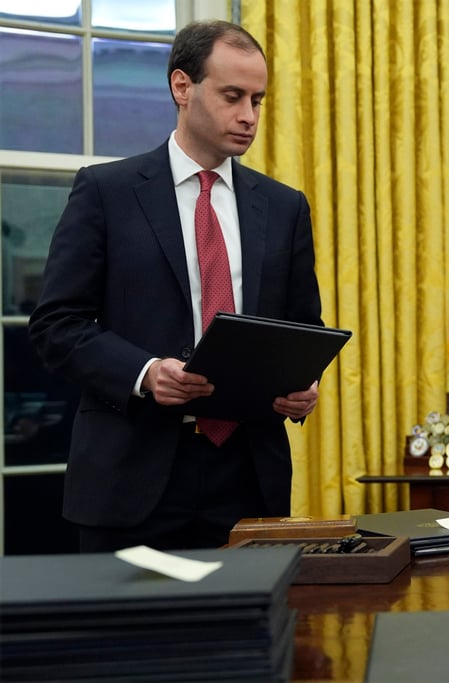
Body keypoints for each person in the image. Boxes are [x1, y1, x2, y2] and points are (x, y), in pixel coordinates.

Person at [28, 20, 323, 552]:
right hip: (130, 476)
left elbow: (303, 329)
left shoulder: (285, 207)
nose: (249, 115)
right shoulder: (106, 192)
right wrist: (144, 372)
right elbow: (56, 325)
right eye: (233, 96)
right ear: (182, 87)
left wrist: (304, 386)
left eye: (257, 100)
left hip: (248, 477)